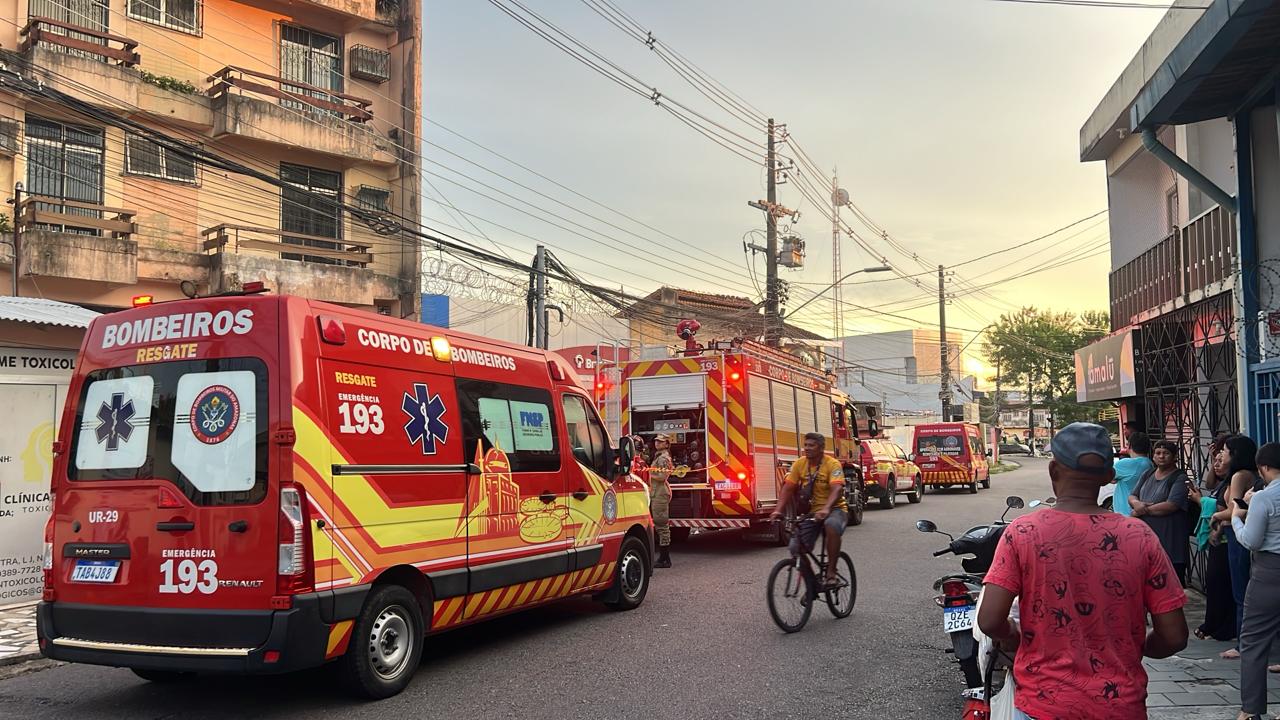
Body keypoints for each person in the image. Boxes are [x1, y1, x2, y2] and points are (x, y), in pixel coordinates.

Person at [977, 422, 1188, 720]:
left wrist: (1013, 635)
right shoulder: (1139, 536)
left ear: (1053, 471)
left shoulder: (1023, 532)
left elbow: (988, 620)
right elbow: (1175, 636)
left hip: (1043, 703)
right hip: (1119, 705)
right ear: (1108, 477)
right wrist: (1131, 647)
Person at [1232, 442, 1280, 720]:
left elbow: (1252, 540)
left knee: (1253, 640)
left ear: (1263, 468)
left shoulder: (1264, 497)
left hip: (1269, 572)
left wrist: (1239, 518)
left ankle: (1251, 709)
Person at [770, 432, 847, 588]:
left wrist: (826, 509)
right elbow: (788, 488)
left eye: (811, 445)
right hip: (811, 514)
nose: (807, 448)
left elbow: (837, 488)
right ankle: (812, 584)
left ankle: (831, 572)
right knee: (795, 548)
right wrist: (778, 510)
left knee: (831, 526)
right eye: (805, 445)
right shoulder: (800, 464)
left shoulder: (832, 464)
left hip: (834, 509)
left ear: (821, 448)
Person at [1212, 434, 1260, 659]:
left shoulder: (1240, 476)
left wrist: (1215, 515)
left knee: (1242, 591)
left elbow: (1235, 510)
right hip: (1236, 534)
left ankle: (1244, 643)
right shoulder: (1246, 474)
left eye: (1226, 450)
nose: (1222, 454)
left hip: (1239, 538)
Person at [1190, 433, 1237, 642]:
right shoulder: (1225, 480)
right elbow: (1210, 483)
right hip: (1222, 535)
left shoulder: (1239, 477)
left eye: (1223, 453)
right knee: (1216, 583)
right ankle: (1215, 625)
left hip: (1228, 537)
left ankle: (1222, 627)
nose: (1219, 460)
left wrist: (1204, 504)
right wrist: (1214, 462)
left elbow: (1232, 509)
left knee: (1223, 584)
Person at [1130, 440, 1190, 584]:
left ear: (1175, 456)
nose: (1161, 456)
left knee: (1170, 583)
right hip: (1147, 538)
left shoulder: (1180, 478)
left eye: (1166, 453)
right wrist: (1136, 503)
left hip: (1170, 540)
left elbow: (1171, 505)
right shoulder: (1148, 473)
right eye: (1158, 453)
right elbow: (1133, 495)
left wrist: (1140, 511)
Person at [1110, 432, 1153, 516]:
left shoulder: (1126, 463)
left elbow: (1108, 477)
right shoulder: (1149, 463)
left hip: (1126, 513)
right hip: (1140, 512)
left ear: (1129, 445)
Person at [649, 433, 674, 569]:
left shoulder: (663, 458)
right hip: (656, 492)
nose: (657, 443)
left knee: (661, 524)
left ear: (666, 444)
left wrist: (647, 473)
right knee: (658, 524)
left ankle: (665, 558)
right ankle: (663, 557)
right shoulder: (658, 456)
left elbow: (662, 475)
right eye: (656, 441)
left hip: (660, 493)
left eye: (660, 442)